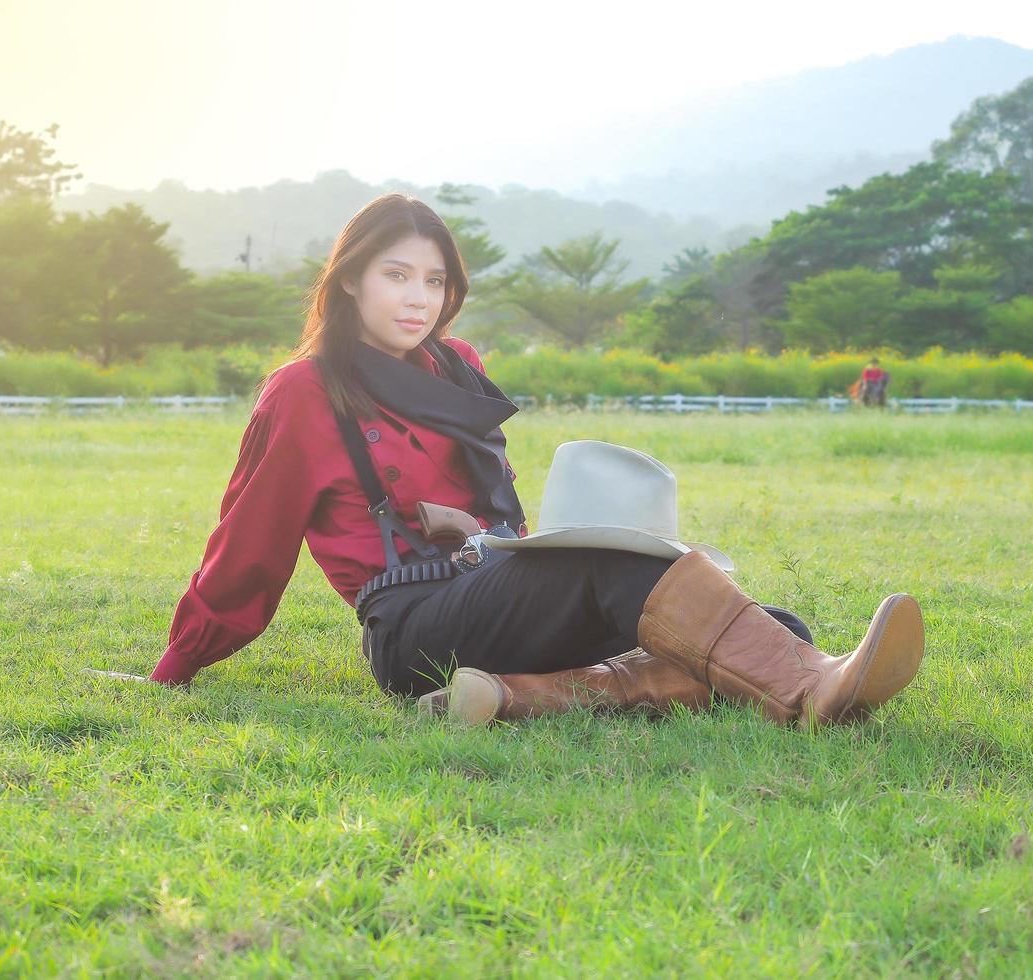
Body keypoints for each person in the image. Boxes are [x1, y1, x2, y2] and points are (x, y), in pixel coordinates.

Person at [94, 193, 924, 727]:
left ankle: (514, 697)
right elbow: (247, 545)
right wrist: (175, 668)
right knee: (652, 589)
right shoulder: (305, 393)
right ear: (349, 281)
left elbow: (503, 515)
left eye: (435, 280)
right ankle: (812, 689)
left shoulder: (459, 367)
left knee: (772, 627)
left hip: (499, 590)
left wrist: (494, 539)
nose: (420, 298)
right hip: (414, 625)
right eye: (396, 276)